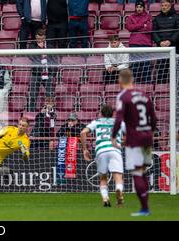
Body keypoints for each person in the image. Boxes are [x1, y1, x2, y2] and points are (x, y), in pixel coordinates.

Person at [111, 69, 157, 216]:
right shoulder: (144, 95)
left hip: (135, 139)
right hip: (147, 137)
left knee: (137, 172)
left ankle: (145, 209)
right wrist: (151, 132)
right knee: (142, 171)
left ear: (120, 81)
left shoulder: (123, 96)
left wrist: (113, 136)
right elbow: (154, 118)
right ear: (132, 80)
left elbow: (118, 119)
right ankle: (146, 207)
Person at [81, 104, 125, 207]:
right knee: (118, 176)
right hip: (115, 150)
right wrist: (121, 143)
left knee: (103, 178)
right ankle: (119, 190)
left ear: (101, 113)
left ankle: (105, 198)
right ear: (112, 113)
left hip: (101, 150)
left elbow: (83, 133)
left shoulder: (97, 122)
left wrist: (85, 149)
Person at [125, 0, 153, 84]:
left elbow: (149, 29)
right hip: (134, 44)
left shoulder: (149, 16)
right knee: (135, 66)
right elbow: (129, 27)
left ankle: (147, 85)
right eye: (137, 7)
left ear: (143, 8)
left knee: (146, 66)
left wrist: (136, 27)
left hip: (146, 44)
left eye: (140, 7)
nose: (139, 8)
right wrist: (142, 25)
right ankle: (135, 85)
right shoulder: (131, 17)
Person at [152, 0, 179, 83]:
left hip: (175, 48)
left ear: (170, 6)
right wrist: (160, 42)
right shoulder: (157, 18)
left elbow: (178, 31)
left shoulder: (177, 17)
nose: (164, 7)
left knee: (175, 71)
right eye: (162, 5)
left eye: (166, 5)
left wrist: (170, 41)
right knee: (161, 71)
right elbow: (154, 32)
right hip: (161, 49)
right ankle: (161, 92)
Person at [28, 29, 54, 112]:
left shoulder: (50, 46)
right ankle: (31, 112)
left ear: (45, 37)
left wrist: (53, 73)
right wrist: (40, 50)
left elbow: (54, 59)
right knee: (33, 95)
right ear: (36, 37)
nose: (40, 40)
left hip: (48, 73)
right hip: (36, 73)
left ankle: (49, 112)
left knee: (49, 94)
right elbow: (32, 58)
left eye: (42, 38)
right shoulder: (32, 46)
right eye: (38, 39)